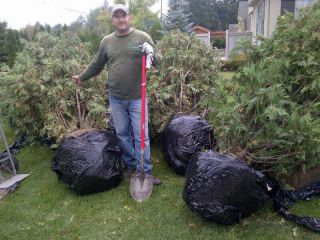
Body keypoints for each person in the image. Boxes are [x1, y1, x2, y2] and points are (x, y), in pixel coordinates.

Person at [71, 4, 161, 188]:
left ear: (130, 17)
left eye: (124, 16)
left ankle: (146, 171)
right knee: (122, 134)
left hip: (138, 97)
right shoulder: (106, 41)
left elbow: (158, 60)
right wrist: (81, 77)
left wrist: (148, 50)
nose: (121, 19)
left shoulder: (142, 37)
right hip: (116, 97)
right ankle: (130, 167)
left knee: (141, 136)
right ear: (113, 20)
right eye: (117, 16)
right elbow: (97, 65)